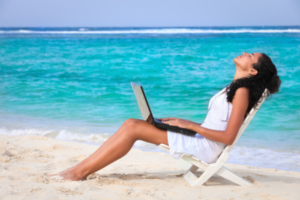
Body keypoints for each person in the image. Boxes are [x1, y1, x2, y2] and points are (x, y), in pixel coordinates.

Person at [50, 52, 281, 181]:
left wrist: (189, 125)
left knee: (132, 127)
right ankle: (78, 170)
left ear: (253, 71)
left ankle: (77, 173)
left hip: (206, 147)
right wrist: (181, 124)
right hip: (200, 137)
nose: (244, 53)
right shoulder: (234, 87)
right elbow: (216, 124)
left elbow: (229, 137)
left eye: (250, 55)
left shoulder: (241, 91)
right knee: (131, 123)